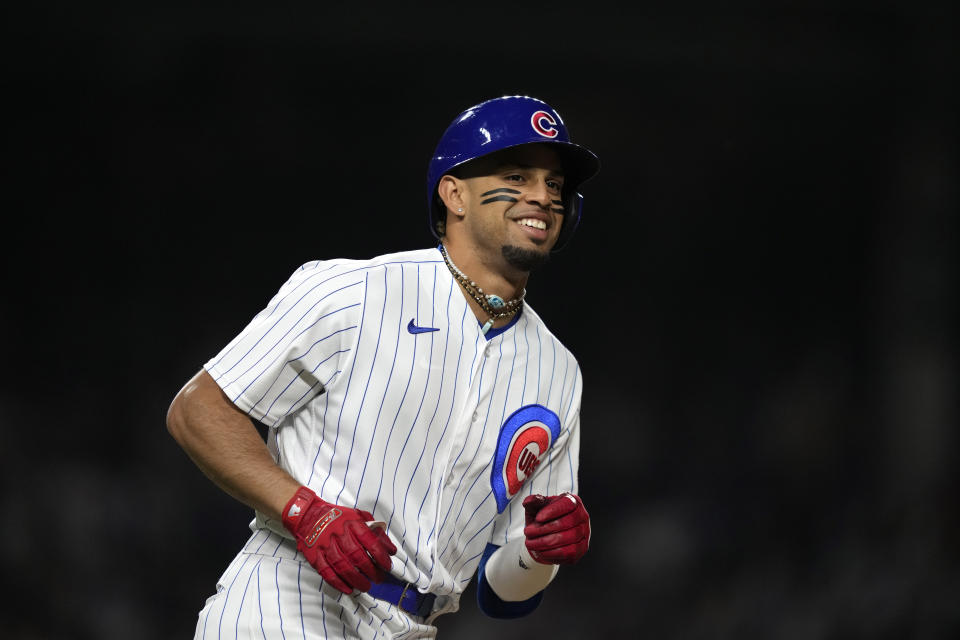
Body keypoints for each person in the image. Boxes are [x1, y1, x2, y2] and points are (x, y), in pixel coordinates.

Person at [166, 94, 599, 639]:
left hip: (415, 624)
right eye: (517, 175)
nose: (542, 195)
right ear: (454, 194)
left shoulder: (558, 371)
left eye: (555, 185)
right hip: (288, 598)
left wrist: (542, 554)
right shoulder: (353, 290)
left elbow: (500, 595)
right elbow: (198, 410)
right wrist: (306, 511)